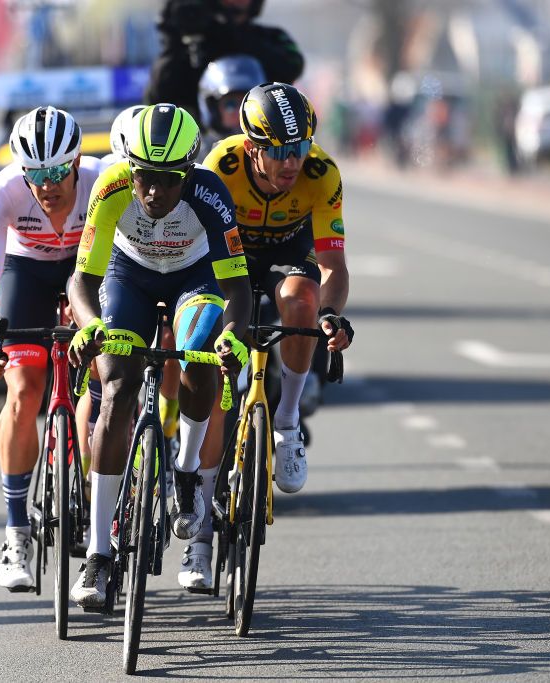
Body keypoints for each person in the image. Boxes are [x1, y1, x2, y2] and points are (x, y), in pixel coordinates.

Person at [66, 103, 253, 608]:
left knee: (198, 355)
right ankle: (99, 556)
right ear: (130, 168)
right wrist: (92, 327)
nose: (153, 192)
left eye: (168, 180)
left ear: (187, 173)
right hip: (128, 276)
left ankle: (188, 473)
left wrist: (233, 336)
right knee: (118, 389)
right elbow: (82, 280)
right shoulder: (110, 186)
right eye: (144, 178)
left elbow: (238, 287)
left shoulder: (211, 193)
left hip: (197, 277)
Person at [178, 82, 354, 592]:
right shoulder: (222, 166)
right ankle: (200, 540)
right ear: (252, 146)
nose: (290, 162)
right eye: (277, 151)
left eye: (298, 149)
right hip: (226, 256)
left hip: (287, 249)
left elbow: (333, 265)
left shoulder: (322, 174)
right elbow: (193, 253)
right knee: (208, 372)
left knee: (301, 302)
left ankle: (286, 421)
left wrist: (330, 314)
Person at [0, 106, 104, 592]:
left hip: (87, 272)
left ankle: (99, 510)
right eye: (35, 174)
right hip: (26, 272)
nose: (45, 184)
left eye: (55, 172)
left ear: (75, 162)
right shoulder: (3, 191)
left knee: (104, 384)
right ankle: (16, 532)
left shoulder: (103, 180)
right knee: (23, 390)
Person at [144, 0, 304, 121]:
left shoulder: (271, 37)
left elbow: (293, 66)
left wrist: (232, 35)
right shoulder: (194, 43)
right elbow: (157, 99)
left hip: (261, 138)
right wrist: (173, 41)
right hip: (200, 142)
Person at [197, 54, 266, 149]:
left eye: (248, 104)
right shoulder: (200, 156)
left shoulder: (275, 151)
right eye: (230, 105)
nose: (240, 112)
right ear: (213, 110)